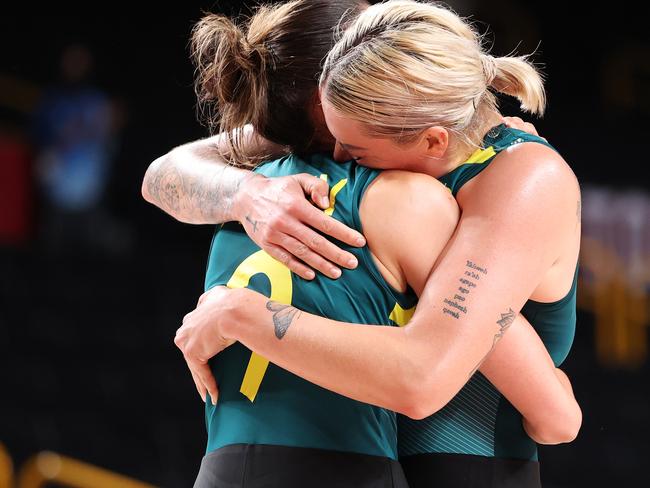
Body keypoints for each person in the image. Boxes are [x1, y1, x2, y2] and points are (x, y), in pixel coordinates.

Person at [173, 1, 582, 487]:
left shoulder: (520, 179)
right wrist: (245, 193)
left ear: (432, 141)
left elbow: (437, 379)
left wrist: (243, 315)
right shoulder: (390, 144)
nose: (338, 156)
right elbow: (167, 170)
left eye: (356, 150)